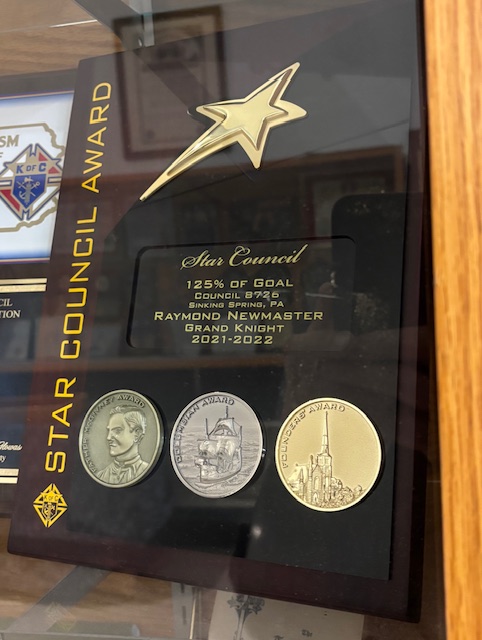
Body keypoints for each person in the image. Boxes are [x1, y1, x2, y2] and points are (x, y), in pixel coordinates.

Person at [96, 404, 149, 485]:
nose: (108, 437)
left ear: (137, 434)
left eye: (117, 431)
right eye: (109, 431)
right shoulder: (101, 476)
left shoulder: (145, 469)